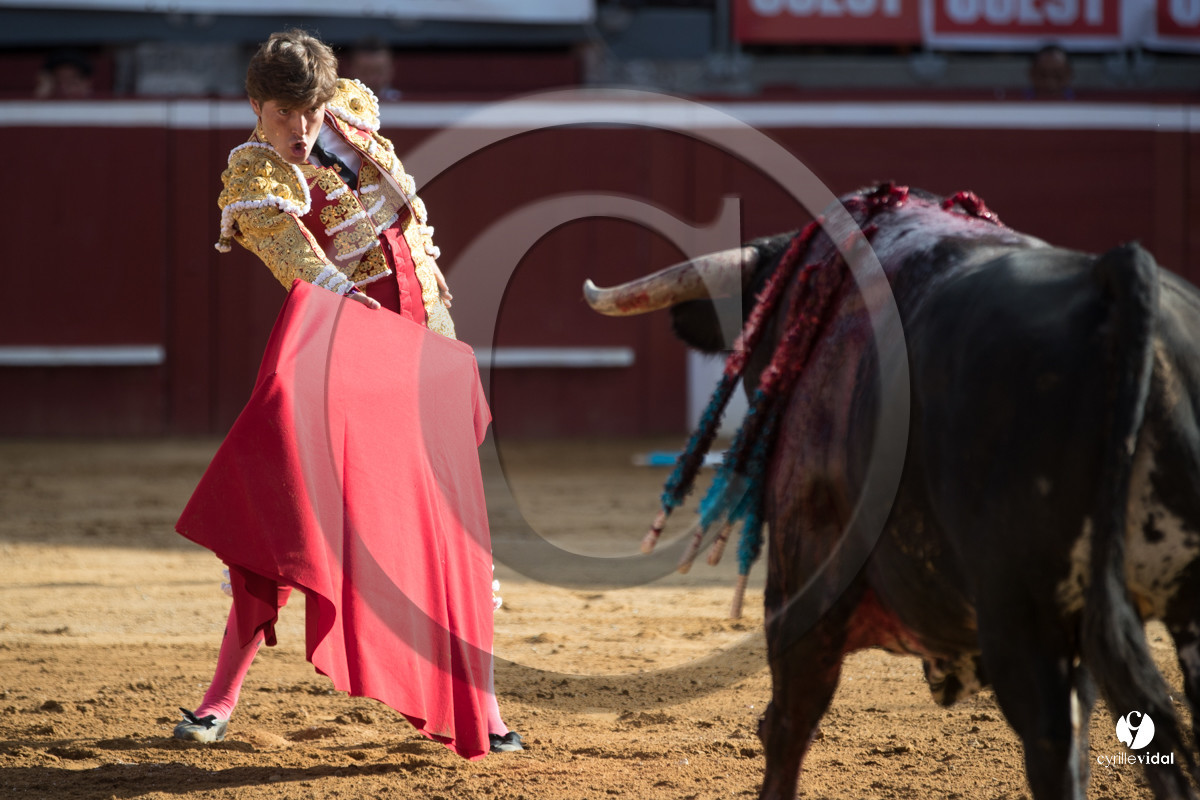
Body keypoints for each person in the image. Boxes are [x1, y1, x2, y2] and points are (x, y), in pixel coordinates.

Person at [171, 28, 522, 758]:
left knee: (453, 531)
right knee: (289, 522)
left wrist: (429, 276)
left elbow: (405, 224)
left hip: (430, 346)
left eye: (307, 113)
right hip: (350, 358)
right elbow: (295, 261)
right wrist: (353, 301)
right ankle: (218, 699)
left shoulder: (355, 115)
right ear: (255, 107)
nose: (297, 132)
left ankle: (480, 706)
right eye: (280, 115)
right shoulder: (254, 171)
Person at [343, 36, 401, 101]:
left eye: (378, 71)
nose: (372, 78)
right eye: (364, 72)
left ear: (391, 70)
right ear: (351, 70)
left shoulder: (406, 105)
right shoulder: (337, 104)